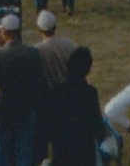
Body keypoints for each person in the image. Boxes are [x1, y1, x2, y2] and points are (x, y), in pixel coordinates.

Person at [0, 13, 47, 166]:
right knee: (23, 157)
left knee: (1, 159)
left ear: (4, 32)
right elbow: (39, 83)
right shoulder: (32, 54)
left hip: (2, 114)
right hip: (25, 112)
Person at [49, 46, 107, 166]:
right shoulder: (90, 92)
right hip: (84, 149)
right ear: (87, 69)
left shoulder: (57, 92)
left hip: (62, 148)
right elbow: (96, 122)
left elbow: (51, 121)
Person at [35, 10, 77, 163]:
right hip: (70, 97)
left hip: (49, 100)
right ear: (55, 27)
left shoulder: (37, 51)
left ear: (39, 29)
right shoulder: (70, 45)